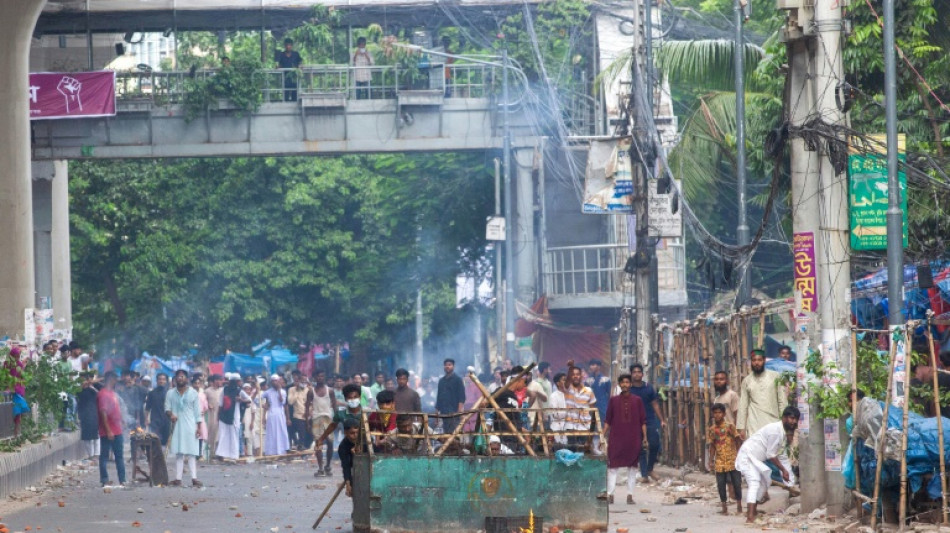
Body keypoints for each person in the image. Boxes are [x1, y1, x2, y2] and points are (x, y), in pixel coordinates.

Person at [735, 406, 799, 523]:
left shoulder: (782, 433)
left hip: (755, 459)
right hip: (747, 456)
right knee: (754, 482)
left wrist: (789, 479)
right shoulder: (775, 431)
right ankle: (750, 517)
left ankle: (753, 511)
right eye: (791, 418)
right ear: (784, 418)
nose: (794, 422)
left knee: (765, 482)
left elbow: (781, 455)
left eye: (796, 419)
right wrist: (783, 471)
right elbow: (771, 455)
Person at [602, 374, 647, 505]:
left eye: (627, 382)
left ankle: (630, 495)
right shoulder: (613, 400)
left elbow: (642, 421)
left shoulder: (637, 400)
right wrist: (602, 435)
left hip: (634, 438)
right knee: (613, 466)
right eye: (623, 382)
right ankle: (610, 494)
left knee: (632, 467)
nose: (625, 385)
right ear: (620, 385)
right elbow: (608, 421)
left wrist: (645, 438)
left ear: (630, 384)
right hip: (616, 438)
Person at [737, 350, 788, 439]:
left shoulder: (776, 376)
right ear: (751, 362)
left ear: (764, 361)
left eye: (759, 360)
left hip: (773, 421)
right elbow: (743, 404)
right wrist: (741, 427)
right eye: (754, 360)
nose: (757, 363)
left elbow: (782, 400)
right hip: (754, 424)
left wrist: (785, 421)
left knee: (773, 451)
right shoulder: (746, 381)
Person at [628, 364, 667, 482]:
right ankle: (644, 475)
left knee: (655, 444)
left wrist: (661, 420)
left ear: (642, 374)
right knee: (640, 449)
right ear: (631, 374)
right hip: (634, 423)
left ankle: (650, 469)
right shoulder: (628, 389)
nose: (636, 374)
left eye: (638, 372)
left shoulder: (648, 388)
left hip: (649, 420)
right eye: (634, 372)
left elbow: (655, 404)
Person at [165, 369, 203, 487]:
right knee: (179, 453)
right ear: (175, 379)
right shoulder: (170, 393)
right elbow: (167, 408)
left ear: (187, 379)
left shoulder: (193, 393)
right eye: (178, 377)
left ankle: (194, 478)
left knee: (192, 453)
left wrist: (199, 427)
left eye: (182, 376)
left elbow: (197, 412)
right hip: (176, 426)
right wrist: (171, 415)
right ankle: (178, 478)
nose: (180, 378)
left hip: (191, 425)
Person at [707, 403, 743, 516]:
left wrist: (739, 454)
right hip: (720, 461)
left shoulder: (730, 426)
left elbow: (737, 440)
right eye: (715, 413)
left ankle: (739, 505)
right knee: (721, 484)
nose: (717, 415)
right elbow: (712, 445)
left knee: (737, 483)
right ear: (713, 415)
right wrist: (710, 460)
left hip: (733, 459)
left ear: (723, 414)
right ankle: (724, 507)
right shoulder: (712, 430)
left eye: (719, 413)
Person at [97, 372, 125, 486]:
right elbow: (103, 413)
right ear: (110, 379)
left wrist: (122, 420)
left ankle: (122, 480)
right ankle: (104, 479)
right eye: (114, 379)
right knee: (104, 456)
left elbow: (115, 409)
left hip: (117, 429)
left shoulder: (112, 393)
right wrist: (108, 430)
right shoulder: (103, 394)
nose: (116, 382)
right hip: (108, 431)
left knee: (119, 456)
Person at [563, 363, 596, 450]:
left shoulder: (589, 391)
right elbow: (566, 383)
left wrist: (592, 426)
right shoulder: (567, 389)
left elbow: (593, 409)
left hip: (585, 426)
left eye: (577, 374)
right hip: (570, 425)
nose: (575, 376)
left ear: (581, 376)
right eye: (573, 375)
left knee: (584, 451)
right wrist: (571, 367)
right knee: (572, 450)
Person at [216, 373, 242, 461]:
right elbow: (220, 404)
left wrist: (240, 400)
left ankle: (234, 456)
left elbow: (249, 400)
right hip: (224, 416)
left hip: (234, 417)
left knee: (234, 436)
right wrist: (218, 416)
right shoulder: (224, 390)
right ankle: (221, 454)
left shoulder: (240, 391)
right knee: (223, 435)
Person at [262, 374, 291, 456]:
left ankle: (281, 450)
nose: (275, 382)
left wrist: (279, 390)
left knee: (281, 432)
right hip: (271, 414)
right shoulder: (268, 392)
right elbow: (258, 399)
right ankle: (271, 451)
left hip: (280, 414)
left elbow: (282, 402)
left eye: (276, 381)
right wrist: (263, 405)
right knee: (272, 432)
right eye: (273, 381)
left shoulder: (283, 392)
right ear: (271, 382)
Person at [436, 358, 466, 433]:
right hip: (444, 413)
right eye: (446, 365)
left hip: (454, 413)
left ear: (453, 366)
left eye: (449, 365)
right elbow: (439, 398)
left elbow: (462, 397)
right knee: (446, 433)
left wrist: (458, 413)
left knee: (454, 435)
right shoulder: (441, 381)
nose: (447, 366)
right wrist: (436, 415)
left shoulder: (458, 380)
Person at [5, 347, 29, 437]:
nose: (17, 358)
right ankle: (11, 433)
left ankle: (16, 433)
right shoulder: (7, 364)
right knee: (10, 412)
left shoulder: (19, 364)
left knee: (18, 412)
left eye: (19, 356)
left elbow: (22, 377)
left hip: (18, 391)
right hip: (10, 391)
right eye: (16, 356)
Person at [287, 370, 314, 451]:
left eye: (305, 381)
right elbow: (290, 402)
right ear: (298, 381)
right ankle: (300, 447)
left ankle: (306, 447)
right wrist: (297, 390)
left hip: (308, 415)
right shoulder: (292, 389)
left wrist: (310, 412)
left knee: (311, 434)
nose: (303, 383)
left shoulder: (309, 389)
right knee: (301, 433)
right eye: (302, 381)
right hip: (298, 416)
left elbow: (313, 403)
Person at [76, 373, 101, 460]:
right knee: (86, 437)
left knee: (96, 436)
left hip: (94, 415)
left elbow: (100, 395)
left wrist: (91, 385)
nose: (82, 382)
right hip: (84, 416)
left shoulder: (93, 390)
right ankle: (90, 455)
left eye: (83, 380)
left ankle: (96, 455)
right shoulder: (78, 391)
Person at [145, 373, 171, 446]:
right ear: (156, 380)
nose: (161, 381)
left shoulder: (169, 393)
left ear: (166, 381)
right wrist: (146, 419)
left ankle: (162, 457)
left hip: (166, 421)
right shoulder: (151, 393)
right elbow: (147, 407)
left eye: (163, 379)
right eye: (159, 379)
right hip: (155, 421)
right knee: (155, 441)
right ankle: (154, 456)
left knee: (165, 442)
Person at [338, 418, 361, 498]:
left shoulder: (366, 440)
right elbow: (346, 466)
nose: (355, 436)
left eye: (357, 433)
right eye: (352, 433)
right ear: (345, 433)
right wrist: (348, 484)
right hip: (354, 471)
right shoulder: (343, 447)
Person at [585, 359, 612, 424]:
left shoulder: (606, 380)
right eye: (591, 365)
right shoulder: (588, 380)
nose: (591, 367)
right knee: (593, 426)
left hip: (603, 406)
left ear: (599, 367)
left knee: (604, 425)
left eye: (593, 365)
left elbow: (610, 394)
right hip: (592, 406)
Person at [204, 374, 223, 459]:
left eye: (221, 380)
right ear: (214, 381)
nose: (220, 382)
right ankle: (209, 453)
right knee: (211, 434)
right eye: (218, 380)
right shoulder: (207, 391)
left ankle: (218, 453)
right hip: (211, 415)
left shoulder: (222, 391)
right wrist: (208, 404)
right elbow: (203, 402)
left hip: (221, 415)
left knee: (219, 435)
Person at [547, 372, 568, 444]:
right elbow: (555, 414)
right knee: (561, 446)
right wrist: (568, 413)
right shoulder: (554, 396)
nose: (566, 382)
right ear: (558, 383)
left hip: (569, 426)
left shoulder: (570, 395)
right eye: (564, 380)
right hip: (558, 426)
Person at [242, 381, 261, 457]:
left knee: (249, 438)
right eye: (246, 389)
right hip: (242, 421)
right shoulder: (241, 399)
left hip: (249, 421)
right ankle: (243, 454)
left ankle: (250, 455)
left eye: (249, 389)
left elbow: (253, 412)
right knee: (242, 439)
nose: (247, 391)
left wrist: (252, 422)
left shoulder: (250, 399)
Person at [191, 375, 209, 459]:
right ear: (192, 384)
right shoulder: (189, 394)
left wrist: (203, 411)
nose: (197, 385)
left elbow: (205, 406)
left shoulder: (202, 395)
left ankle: (199, 453)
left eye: (198, 383)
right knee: (192, 435)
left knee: (201, 435)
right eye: (195, 383)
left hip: (201, 418)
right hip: (191, 417)